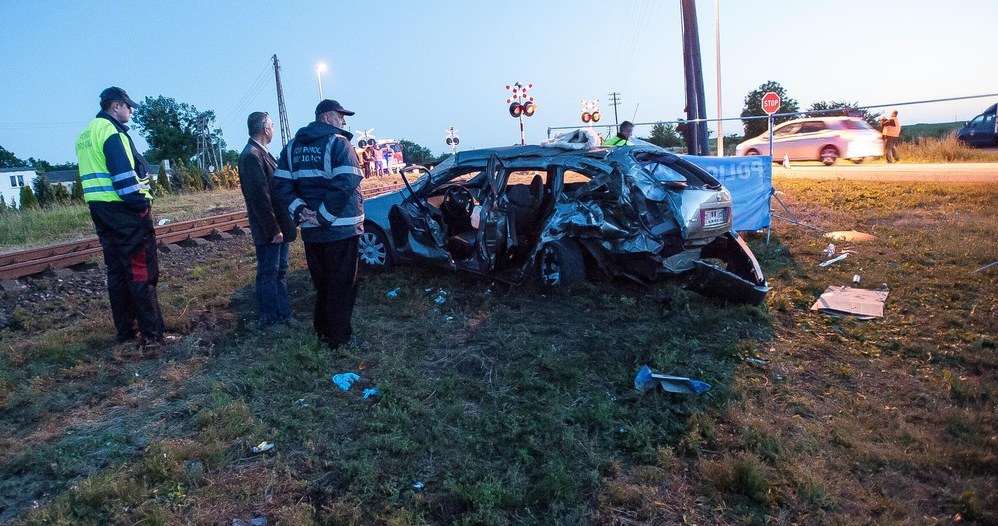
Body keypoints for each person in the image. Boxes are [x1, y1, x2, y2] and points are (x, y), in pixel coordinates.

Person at [75, 87, 170, 348]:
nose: (130, 111)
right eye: (128, 106)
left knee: (116, 272)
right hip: (125, 211)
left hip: (100, 211)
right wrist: (141, 206)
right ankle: (153, 334)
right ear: (115, 106)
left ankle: (126, 332)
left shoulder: (86, 134)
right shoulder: (111, 133)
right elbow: (125, 179)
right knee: (141, 271)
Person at [273, 99, 365, 349]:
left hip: (313, 233)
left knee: (322, 284)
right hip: (341, 229)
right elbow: (347, 180)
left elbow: (281, 185)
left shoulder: (291, 147)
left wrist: (301, 211)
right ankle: (339, 340)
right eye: (340, 116)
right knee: (343, 285)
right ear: (326, 117)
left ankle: (323, 332)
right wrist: (323, 215)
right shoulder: (338, 142)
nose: (344, 121)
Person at [238, 112, 298, 328]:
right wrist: (273, 230)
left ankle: (283, 313)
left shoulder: (262, 153)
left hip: (279, 225)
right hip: (270, 229)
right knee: (268, 272)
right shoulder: (251, 156)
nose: (272, 129)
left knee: (279, 270)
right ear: (265, 129)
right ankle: (270, 318)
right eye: (271, 125)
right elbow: (259, 198)